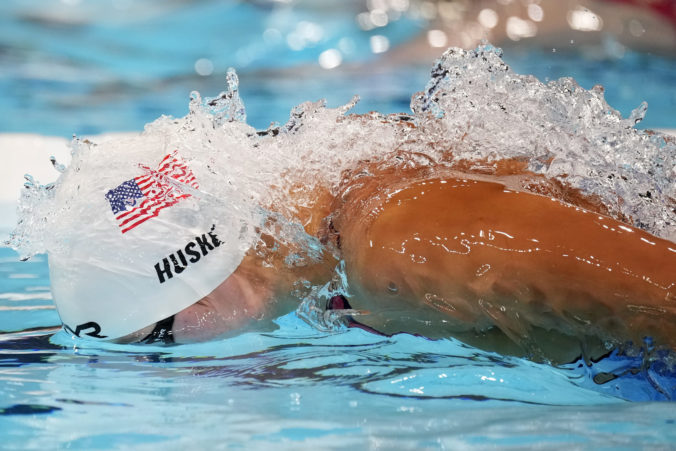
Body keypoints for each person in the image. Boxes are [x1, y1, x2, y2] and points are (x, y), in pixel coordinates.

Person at [46, 140, 675, 366]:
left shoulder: (411, 250)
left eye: (159, 343)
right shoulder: (327, 246)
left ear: (197, 279)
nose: (180, 359)